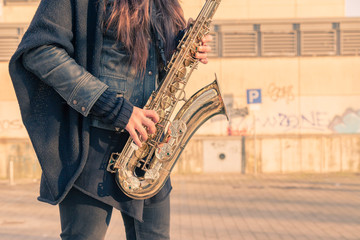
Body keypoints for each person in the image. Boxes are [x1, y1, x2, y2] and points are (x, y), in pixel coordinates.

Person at [9, 0, 212, 239]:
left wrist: (179, 47)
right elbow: (39, 50)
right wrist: (115, 107)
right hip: (92, 150)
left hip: (148, 155)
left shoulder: (164, 4)